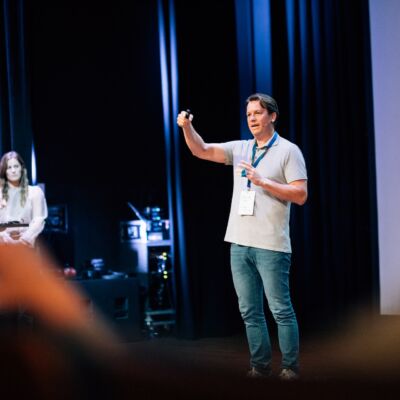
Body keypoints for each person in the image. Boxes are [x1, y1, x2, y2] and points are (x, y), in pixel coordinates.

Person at [177, 93, 308, 380]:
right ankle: (260, 367)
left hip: (271, 245)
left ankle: (290, 368)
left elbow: (300, 195)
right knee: (250, 312)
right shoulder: (241, 149)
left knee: (280, 310)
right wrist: (187, 128)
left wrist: (264, 181)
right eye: (249, 114)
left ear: (272, 116)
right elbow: (201, 150)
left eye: (258, 113)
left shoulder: (289, 151)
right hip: (239, 243)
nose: (252, 119)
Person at [0, 151, 47, 246]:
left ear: (22, 168)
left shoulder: (35, 192)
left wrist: (25, 240)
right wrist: (3, 237)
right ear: (4, 171)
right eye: (9, 167)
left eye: (16, 166)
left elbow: (39, 219)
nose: (13, 170)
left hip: (27, 246)